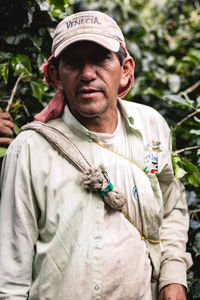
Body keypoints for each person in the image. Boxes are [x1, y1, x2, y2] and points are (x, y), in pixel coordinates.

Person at [0, 10, 192, 300]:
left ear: (125, 68)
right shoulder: (28, 151)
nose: (87, 74)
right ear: (54, 74)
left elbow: (171, 205)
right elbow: (10, 277)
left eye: (101, 59)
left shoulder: (151, 126)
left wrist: (173, 275)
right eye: (74, 62)